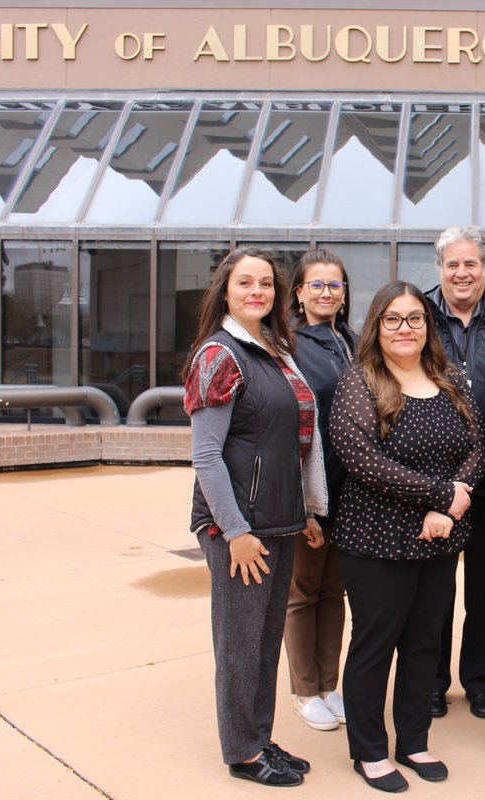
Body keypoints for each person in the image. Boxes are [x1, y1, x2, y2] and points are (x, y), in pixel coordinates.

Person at [330, 281, 485, 793]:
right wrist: (443, 496)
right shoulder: (360, 380)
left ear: (428, 325)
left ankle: (414, 741)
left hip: (439, 538)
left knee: (425, 643)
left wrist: (450, 503)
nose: (405, 328)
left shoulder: (449, 377)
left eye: (415, 318)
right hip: (376, 538)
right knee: (376, 644)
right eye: (393, 319)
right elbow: (362, 460)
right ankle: (370, 751)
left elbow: (477, 446)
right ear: (376, 326)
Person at [183, 246, 329, 788]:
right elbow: (206, 455)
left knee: (266, 643)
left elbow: (288, 444)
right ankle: (243, 753)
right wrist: (235, 532)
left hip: (277, 521)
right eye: (245, 283)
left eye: (266, 284)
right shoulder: (219, 355)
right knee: (241, 645)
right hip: (238, 527)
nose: (256, 292)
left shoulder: (271, 349)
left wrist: (305, 512)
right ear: (226, 290)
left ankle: (258, 736)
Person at [425, 226, 485, 720]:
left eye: (470, 264)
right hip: (434, 481)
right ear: (439, 268)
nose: (461, 273)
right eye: (452, 264)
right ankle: (432, 682)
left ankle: (482, 681)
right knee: (434, 590)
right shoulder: (417, 316)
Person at [283, 248, 356, 732]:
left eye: (335, 285)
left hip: (352, 494)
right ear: (299, 293)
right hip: (313, 492)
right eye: (317, 285)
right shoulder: (288, 343)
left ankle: (330, 685)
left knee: (335, 592)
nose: (327, 293)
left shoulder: (351, 340)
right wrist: (301, 505)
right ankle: (305, 690)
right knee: (303, 592)